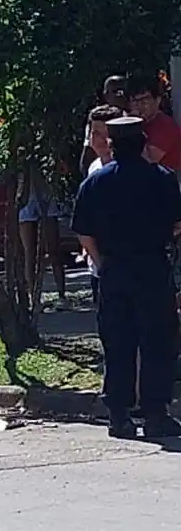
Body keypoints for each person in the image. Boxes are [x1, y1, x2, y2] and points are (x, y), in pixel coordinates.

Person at [73, 116, 181, 440]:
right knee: (156, 342)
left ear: (112, 144)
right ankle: (155, 413)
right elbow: (178, 224)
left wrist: (101, 262)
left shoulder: (95, 182)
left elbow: (84, 233)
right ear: (143, 140)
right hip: (152, 268)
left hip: (114, 271)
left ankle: (119, 416)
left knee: (117, 342)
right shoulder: (162, 178)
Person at [82, 105, 120, 305]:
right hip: (98, 265)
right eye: (95, 133)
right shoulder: (94, 168)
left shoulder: (128, 169)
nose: (99, 140)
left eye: (105, 134)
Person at [18, 167, 68, 309]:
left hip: (45, 193)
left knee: (53, 250)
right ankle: (34, 298)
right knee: (30, 252)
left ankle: (61, 295)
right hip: (26, 196)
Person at [127, 78, 181, 173]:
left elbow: (147, 161)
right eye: (135, 101)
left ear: (157, 100)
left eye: (144, 101)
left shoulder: (165, 126)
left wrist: (134, 125)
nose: (139, 106)